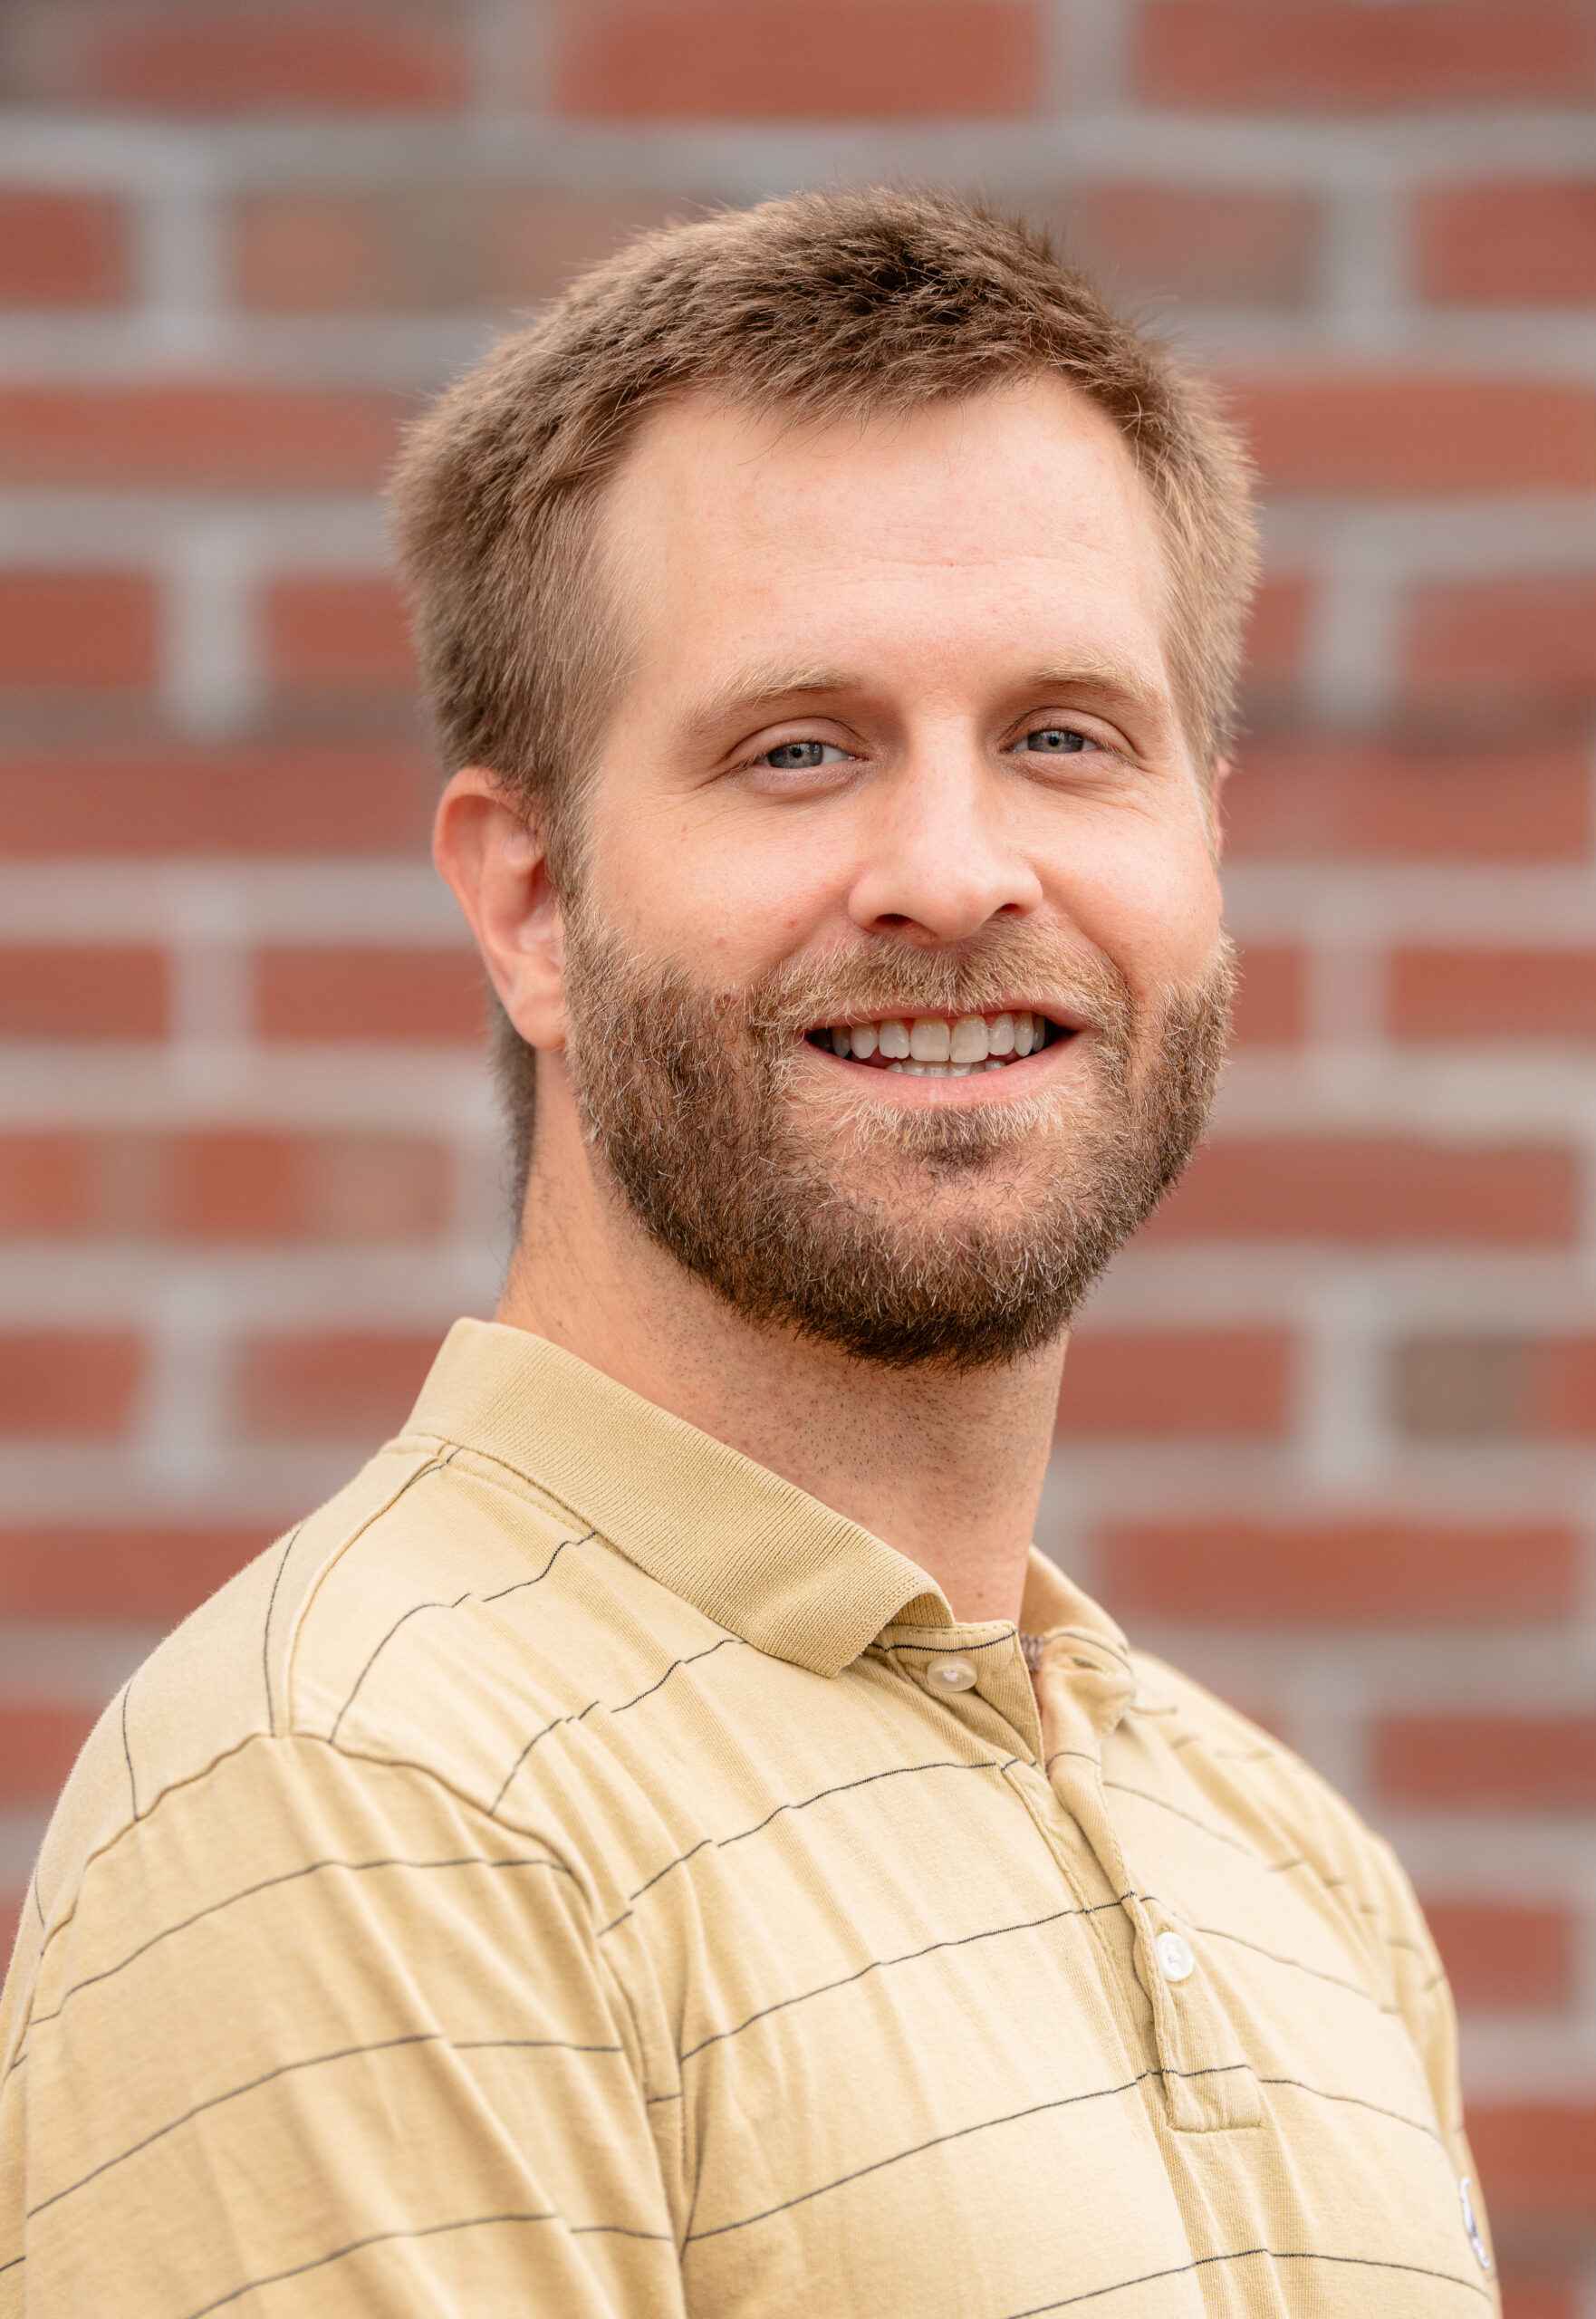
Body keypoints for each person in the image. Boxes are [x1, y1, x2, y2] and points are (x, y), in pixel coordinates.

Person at [0, 190, 1498, 2316]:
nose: (958, 871)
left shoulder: (1288, 1865)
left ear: (1204, 839)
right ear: (527, 902)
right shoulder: (367, 1795)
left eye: (1066, 735)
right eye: (800, 748)